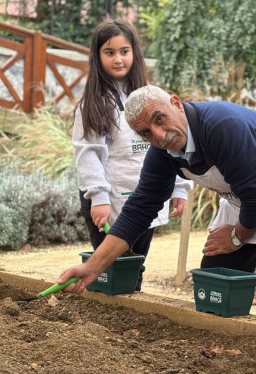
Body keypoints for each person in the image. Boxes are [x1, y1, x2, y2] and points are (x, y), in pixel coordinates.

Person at [60, 84, 256, 325]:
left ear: (176, 103)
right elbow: (139, 210)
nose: (159, 135)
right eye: (146, 132)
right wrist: (91, 268)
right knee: (216, 275)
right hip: (245, 196)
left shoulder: (222, 126)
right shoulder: (163, 154)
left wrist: (236, 236)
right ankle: (227, 344)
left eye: (159, 119)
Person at [72, 20, 193, 291]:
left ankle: (129, 322)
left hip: (145, 196)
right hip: (106, 199)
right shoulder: (93, 103)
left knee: (136, 265)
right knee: (112, 270)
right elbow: (88, 154)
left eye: (124, 51)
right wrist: (99, 198)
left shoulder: (150, 97)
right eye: (109, 52)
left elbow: (172, 142)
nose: (118, 59)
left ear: (134, 53)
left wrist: (181, 187)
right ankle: (106, 323)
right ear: (97, 56)